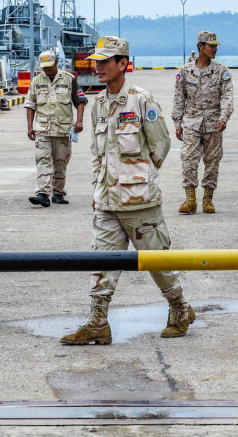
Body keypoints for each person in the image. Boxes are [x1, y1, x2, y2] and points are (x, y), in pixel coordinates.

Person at [60, 36, 194, 346]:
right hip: (107, 201)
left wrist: (139, 178)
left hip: (139, 202)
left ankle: (180, 309)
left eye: (105, 61)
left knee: (157, 262)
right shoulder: (99, 104)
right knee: (102, 262)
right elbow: (97, 152)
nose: (98, 67)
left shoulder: (141, 100)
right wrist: (99, 189)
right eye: (97, 61)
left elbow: (161, 145)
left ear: (123, 64)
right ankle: (97, 322)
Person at [172, 30, 234, 214]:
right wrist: (177, 123)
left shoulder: (222, 71)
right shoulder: (184, 71)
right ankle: (190, 200)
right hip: (191, 122)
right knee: (189, 159)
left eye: (215, 46)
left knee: (212, 161)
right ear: (200, 46)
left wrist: (224, 117)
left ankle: (208, 199)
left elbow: (227, 97)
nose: (214, 49)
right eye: (211, 46)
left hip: (214, 123)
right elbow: (178, 99)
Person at [25, 50, 87, 207]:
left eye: (50, 66)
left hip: (63, 129)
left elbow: (80, 101)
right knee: (42, 159)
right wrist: (30, 126)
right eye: (44, 67)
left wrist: (79, 121)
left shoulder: (68, 79)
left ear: (56, 62)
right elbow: (30, 105)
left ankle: (58, 193)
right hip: (42, 129)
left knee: (60, 162)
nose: (47, 70)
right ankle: (42, 193)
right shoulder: (36, 81)